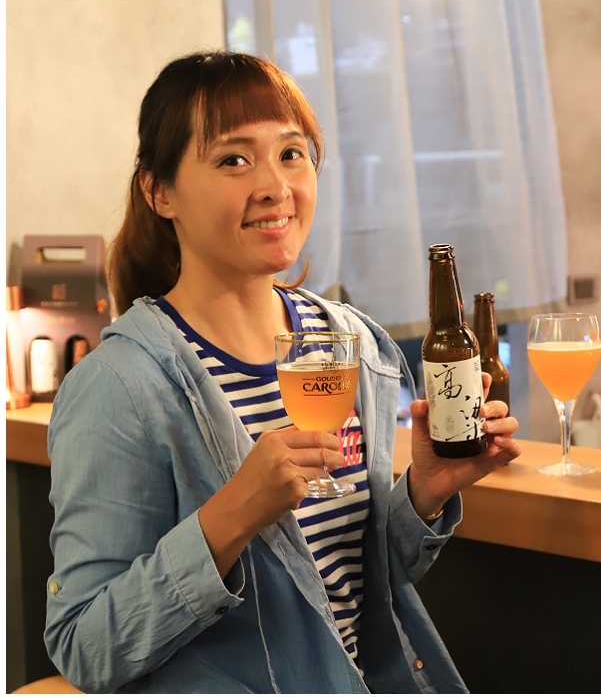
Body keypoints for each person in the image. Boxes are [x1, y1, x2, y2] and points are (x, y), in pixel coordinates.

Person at [44, 51, 521, 694]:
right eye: (233, 160)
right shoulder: (121, 385)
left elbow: (347, 586)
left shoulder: (349, 344)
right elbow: (85, 647)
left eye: (292, 153)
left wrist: (424, 492)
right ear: (160, 192)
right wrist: (230, 517)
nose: (275, 186)